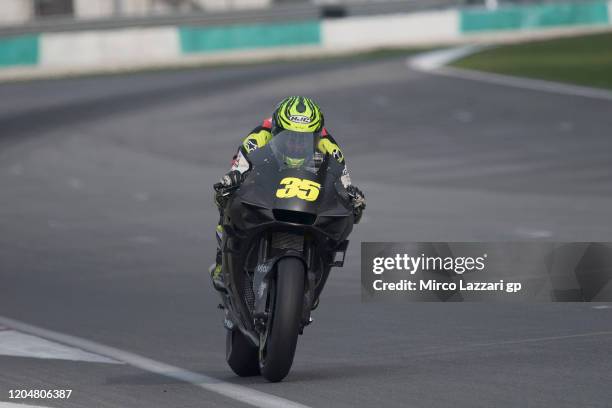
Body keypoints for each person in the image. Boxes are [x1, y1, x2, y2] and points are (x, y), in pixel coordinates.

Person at [210, 96, 365, 291]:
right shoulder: (258, 137)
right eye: (290, 137)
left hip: (303, 196)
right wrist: (231, 181)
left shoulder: (329, 146)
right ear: (276, 131)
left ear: (317, 136)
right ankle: (221, 261)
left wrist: (354, 199)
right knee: (226, 198)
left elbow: (343, 181)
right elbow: (238, 169)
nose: (297, 145)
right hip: (268, 184)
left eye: (305, 139)